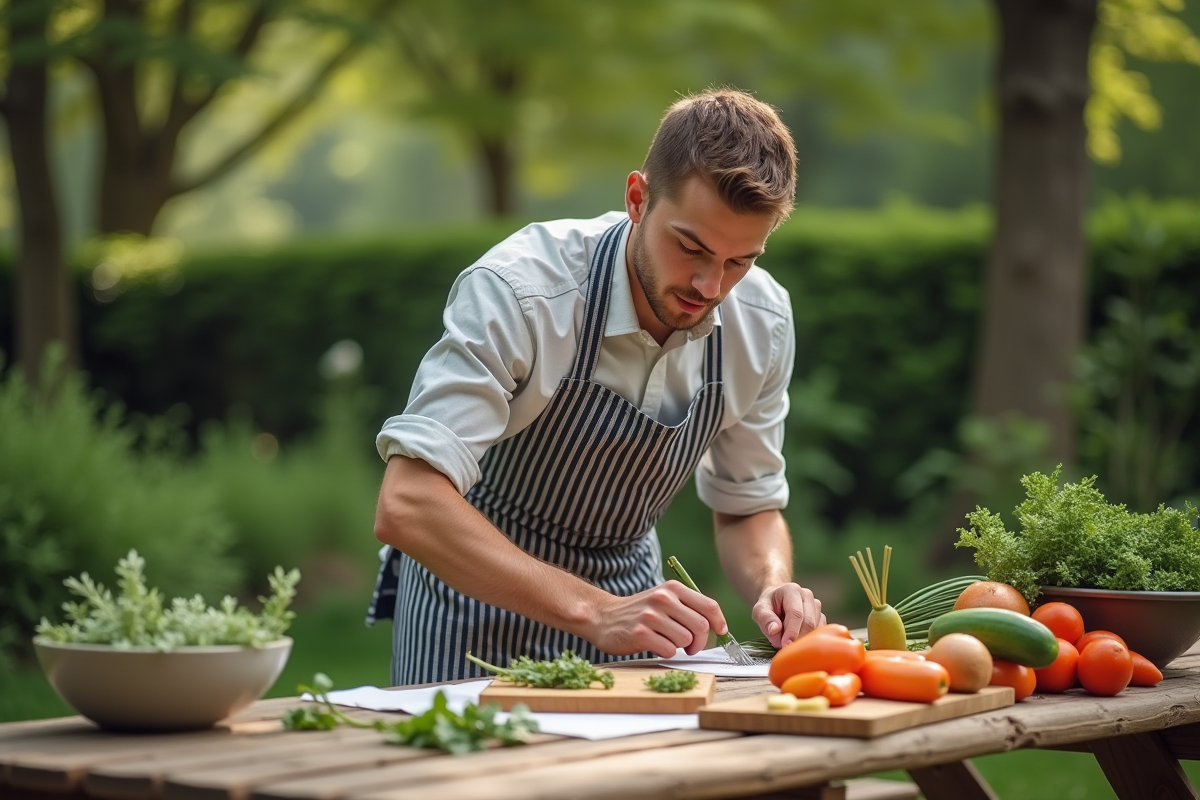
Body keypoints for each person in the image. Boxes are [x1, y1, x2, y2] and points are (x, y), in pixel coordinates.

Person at [368, 88, 827, 686]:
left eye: (740, 261)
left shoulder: (761, 324)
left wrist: (774, 585)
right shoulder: (521, 291)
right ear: (637, 198)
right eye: (691, 246)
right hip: (472, 614)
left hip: (635, 620)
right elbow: (408, 503)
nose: (710, 284)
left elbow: (747, 507)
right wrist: (595, 611)